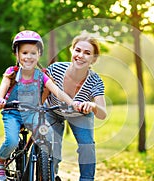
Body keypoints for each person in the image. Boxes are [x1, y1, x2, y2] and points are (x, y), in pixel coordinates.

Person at [0, 30, 77, 181]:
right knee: (12, 141)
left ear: (38, 55)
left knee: (47, 134)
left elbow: (57, 91)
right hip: (13, 113)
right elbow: (3, 87)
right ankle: (0, 163)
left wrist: (72, 103)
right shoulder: (12, 72)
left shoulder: (41, 75)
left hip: (33, 113)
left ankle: (45, 168)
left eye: (33, 53)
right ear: (17, 55)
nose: (28, 57)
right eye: (24, 53)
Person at [45, 33, 107, 181]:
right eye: (77, 50)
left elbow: (102, 113)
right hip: (53, 111)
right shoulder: (55, 69)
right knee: (52, 148)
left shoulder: (95, 81)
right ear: (72, 50)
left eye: (87, 53)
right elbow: (41, 95)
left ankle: (86, 179)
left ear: (94, 59)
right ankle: (49, 177)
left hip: (79, 114)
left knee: (87, 146)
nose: (80, 55)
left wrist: (92, 105)